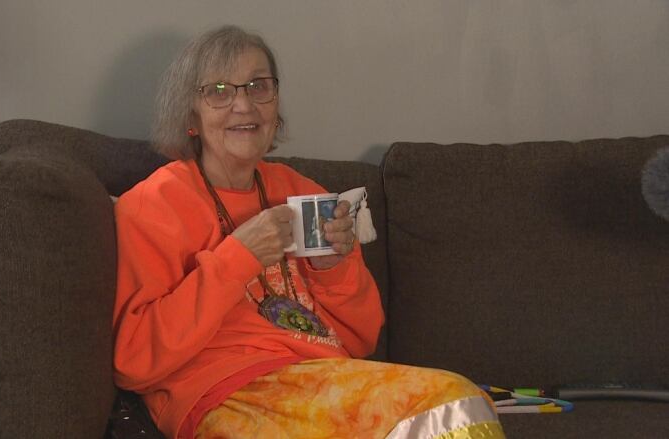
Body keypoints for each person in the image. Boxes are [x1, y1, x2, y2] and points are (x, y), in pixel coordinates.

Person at [112, 25, 505, 439]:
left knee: (458, 402)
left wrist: (332, 268)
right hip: (223, 393)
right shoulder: (153, 203)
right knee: (454, 404)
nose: (243, 105)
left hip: (325, 379)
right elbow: (134, 361)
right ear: (190, 114)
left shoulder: (303, 192)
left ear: (275, 104)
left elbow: (362, 339)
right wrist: (238, 257)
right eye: (220, 90)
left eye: (258, 86)